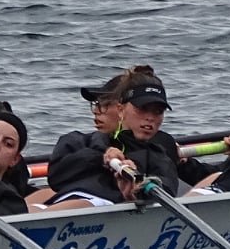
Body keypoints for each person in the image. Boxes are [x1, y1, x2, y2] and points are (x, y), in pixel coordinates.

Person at [40, 73, 183, 209]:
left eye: (158, 112)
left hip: (100, 208)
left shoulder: (158, 156)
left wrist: (135, 186)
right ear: (121, 110)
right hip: (67, 203)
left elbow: (166, 189)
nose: (150, 117)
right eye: (142, 109)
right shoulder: (78, 141)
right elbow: (56, 177)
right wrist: (101, 158)